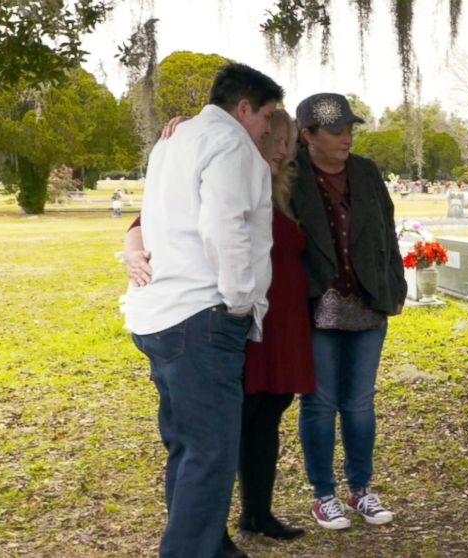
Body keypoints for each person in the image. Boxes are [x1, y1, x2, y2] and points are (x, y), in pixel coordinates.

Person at [124, 109, 313, 554]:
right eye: (275, 136)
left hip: (281, 323)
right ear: (253, 129)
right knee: (213, 440)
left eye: (289, 141)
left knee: (264, 419)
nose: (282, 149)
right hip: (231, 316)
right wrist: (130, 251)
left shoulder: (288, 187)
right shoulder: (224, 163)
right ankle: (209, 538)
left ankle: (254, 513)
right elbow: (148, 222)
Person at [291, 93, 406, 530]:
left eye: (349, 129)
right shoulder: (290, 175)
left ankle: (361, 490)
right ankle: (324, 495)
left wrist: (395, 285)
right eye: (336, 131)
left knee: (359, 404)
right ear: (308, 135)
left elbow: (387, 231)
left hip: (367, 304)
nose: (346, 138)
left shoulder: (366, 172)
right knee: (319, 404)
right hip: (315, 307)